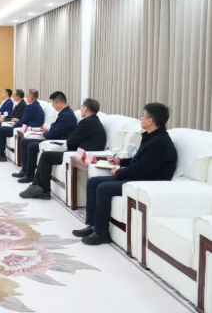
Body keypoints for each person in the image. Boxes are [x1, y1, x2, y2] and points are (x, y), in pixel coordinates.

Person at [73, 102, 177, 246]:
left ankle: (102, 233)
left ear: (150, 121)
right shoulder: (151, 136)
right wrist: (120, 161)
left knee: (103, 188)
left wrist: (119, 172)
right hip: (141, 175)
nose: (141, 118)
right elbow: (139, 160)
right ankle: (93, 225)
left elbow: (141, 169)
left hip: (148, 181)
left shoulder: (159, 143)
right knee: (93, 182)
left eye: (142, 116)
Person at [20, 98, 106, 200]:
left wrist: (68, 144)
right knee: (47, 155)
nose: (81, 109)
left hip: (80, 155)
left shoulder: (86, 122)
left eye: (81, 107)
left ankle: (43, 190)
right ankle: (37, 185)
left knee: (46, 156)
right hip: (81, 152)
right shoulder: (94, 121)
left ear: (86, 109)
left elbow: (71, 141)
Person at [12, 91, 77, 183]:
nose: (53, 106)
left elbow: (54, 133)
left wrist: (44, 133)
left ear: (59, 102)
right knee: (24, 142)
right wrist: (47, 130)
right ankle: (25, 170)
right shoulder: (64, 113)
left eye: (53, 104)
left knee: (31, 146)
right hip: (54, 137)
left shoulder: (67, 115)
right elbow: (56, 129)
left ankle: (29, 175)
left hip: (58, 141)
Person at [0, 89, 44, 162]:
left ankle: (0, 155)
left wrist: (14, 125)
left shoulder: (30, 107)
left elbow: (23, 121)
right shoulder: (36, 105)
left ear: (31, 98)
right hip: (27, 126)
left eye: (27, 96)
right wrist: (18, 121)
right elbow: (25, 119)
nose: (26, 98)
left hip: (25, 128)